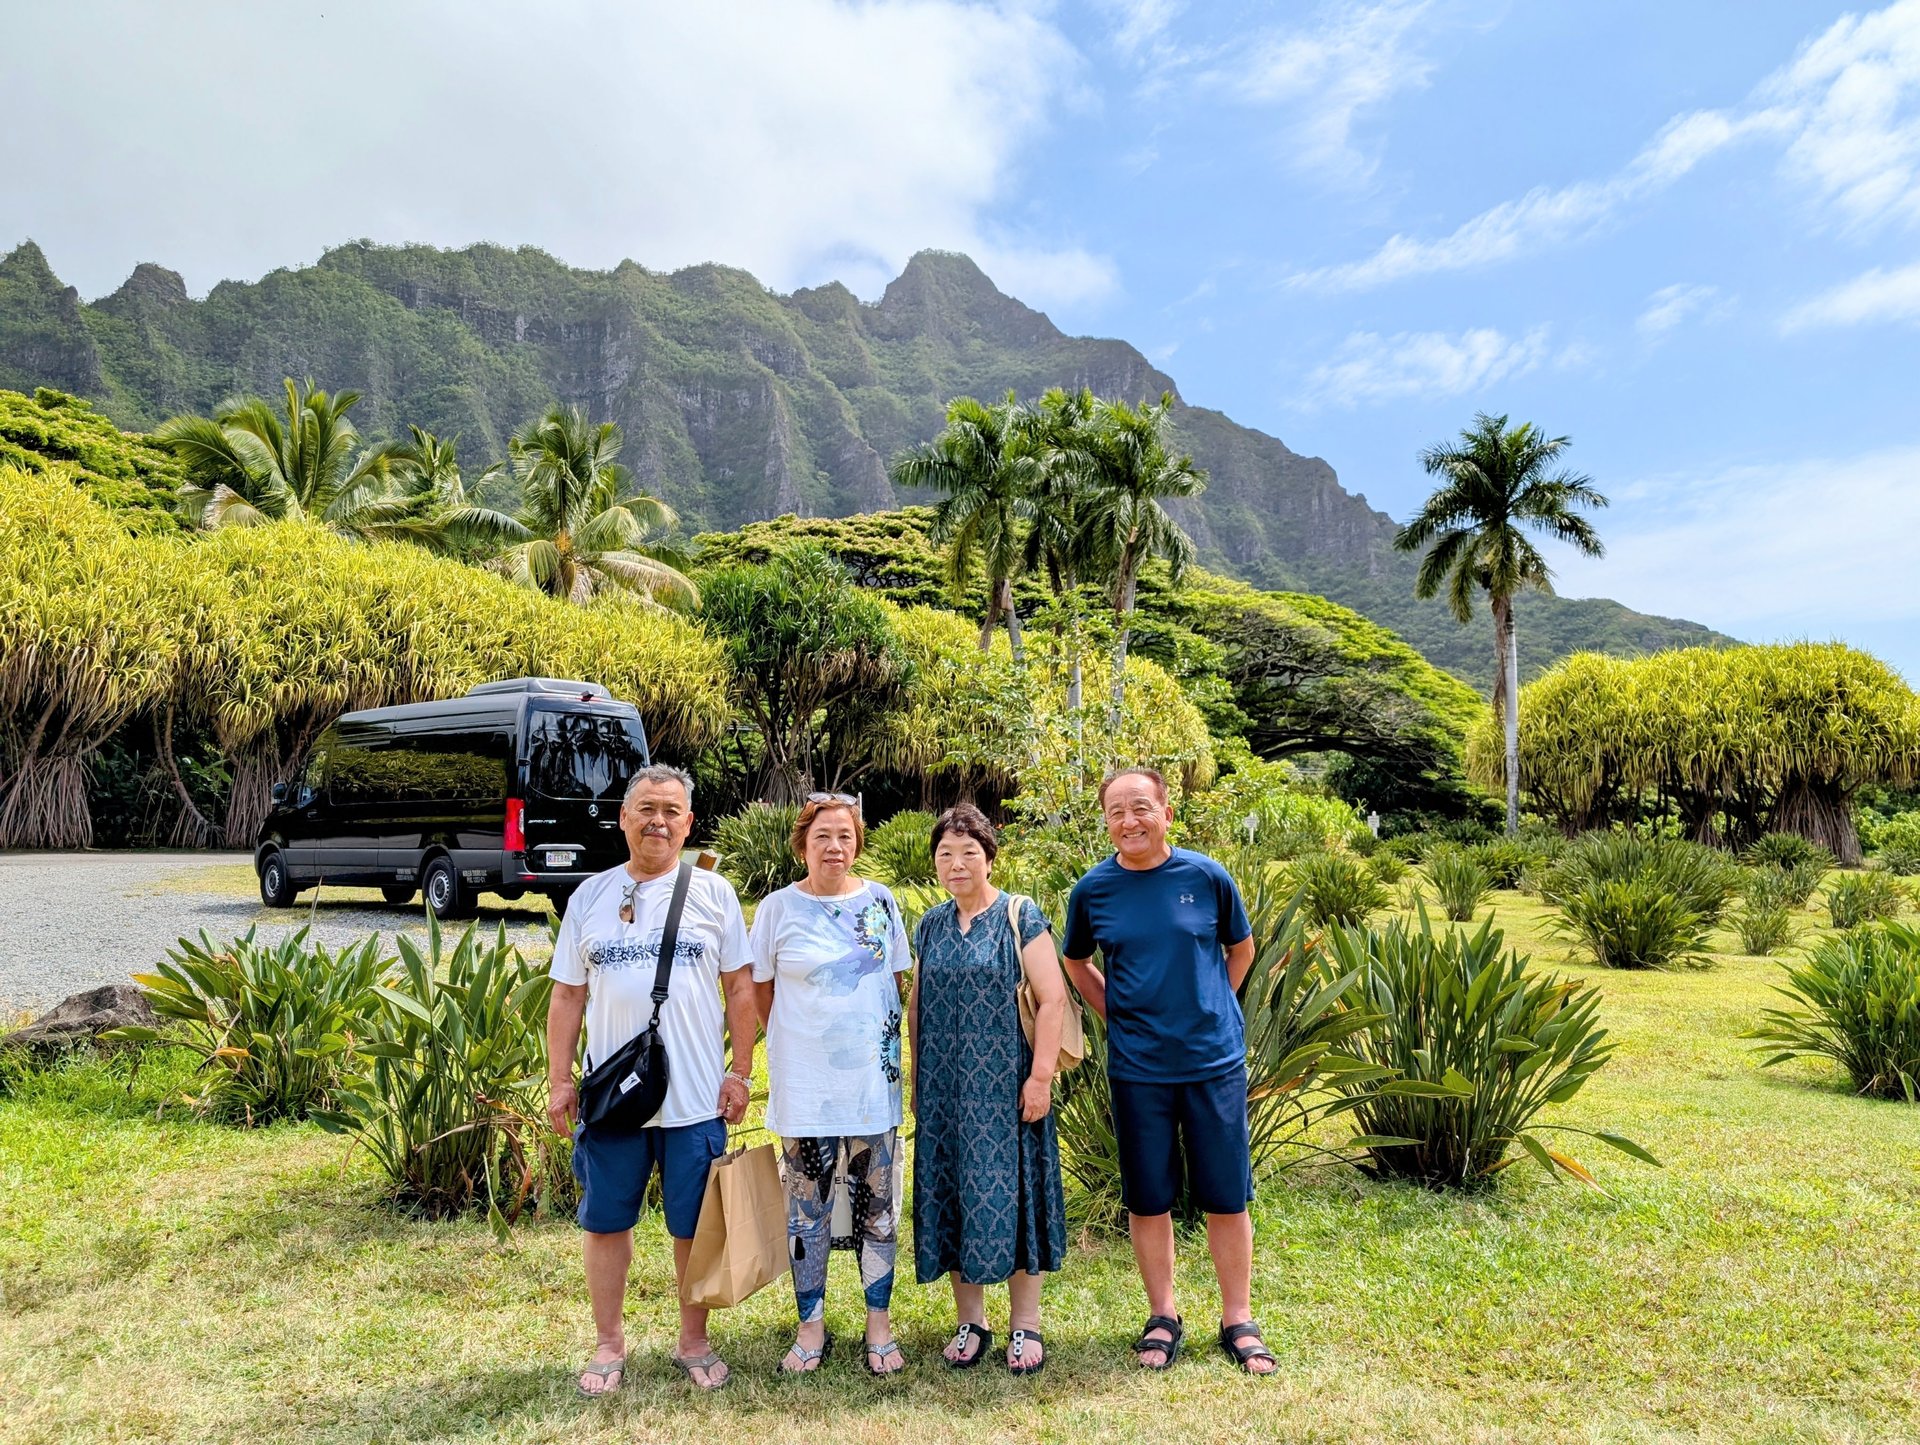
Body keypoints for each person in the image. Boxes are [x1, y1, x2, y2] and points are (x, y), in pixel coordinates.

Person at [546, 765, 758, 1395]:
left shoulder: (714, 895)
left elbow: (741, 989)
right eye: (645, 808)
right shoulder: (590, 896)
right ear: (623, 818)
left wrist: (740, 1071)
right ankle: (609, 1341)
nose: (658, 820)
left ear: (688, 823)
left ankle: (694, 1339)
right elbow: (566, 996)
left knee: (693, 1225)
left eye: (671, 810)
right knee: (606, 1223)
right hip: (615, 1101)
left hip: (694, 1097)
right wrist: (561, 1081)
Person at [1060, 767, 1277, 1376]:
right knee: (1149, 1196)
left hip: (1214, 1063)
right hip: (1139, 1069)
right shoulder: (1092, 891)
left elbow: (1242, 949)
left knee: (1226, 1194)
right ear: (1106, 822)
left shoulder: (1206, 877)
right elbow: (1076, 962)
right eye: (1117, 812)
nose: (1129, 821)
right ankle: (1163, 1315)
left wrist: (1215, 1007)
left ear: (1165, 812)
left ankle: (1238, 1318)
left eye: (1140, 808)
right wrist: (1117, 1017)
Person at [750, 793, 912, 1376]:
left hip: (872, 1084)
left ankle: (879, 1325)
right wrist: (798, 1044)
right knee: (807, 1209)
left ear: (857, 843)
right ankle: (811, 1326)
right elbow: (760, 991)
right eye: (823, 836)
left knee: (878, 1207)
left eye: (845, 836)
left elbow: (896, 981)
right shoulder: (775, 909)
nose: (834, 847)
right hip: (804, 1085)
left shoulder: (882, 901)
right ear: (803, 843)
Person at [909, 803, 1069, 1376]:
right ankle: (971, 1321)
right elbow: (918, 1005)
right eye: (945, 854)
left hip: (1008, 1089)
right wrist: (917, 1079)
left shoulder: (1019, 916)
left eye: (968, 853)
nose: (956, 864)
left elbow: (1052, 999)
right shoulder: (930, 924)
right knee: (954, 1193)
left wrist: (1040, 1077)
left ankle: (1025, 1325)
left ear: (989, 857)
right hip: (945, 1090)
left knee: (1017, 1197)